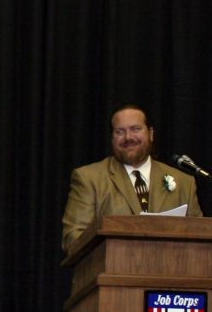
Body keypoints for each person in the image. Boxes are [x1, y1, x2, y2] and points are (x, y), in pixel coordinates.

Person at [61, 104, 202, 252]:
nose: (128, 137)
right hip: (113, 272)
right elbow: (73, 240)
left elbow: (201, 237)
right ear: (112, 138)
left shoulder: (184, 182)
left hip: (170, 272)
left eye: (136, 129)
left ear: (151, 133)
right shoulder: (89, 178)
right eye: (120, 131)